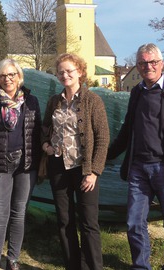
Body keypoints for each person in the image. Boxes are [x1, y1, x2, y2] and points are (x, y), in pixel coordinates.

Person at [107, 43, 164, 270]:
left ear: (162, 64)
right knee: (134, 222)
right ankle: (141, 265)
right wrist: (104, 155)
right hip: (138, 168)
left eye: (152, 62)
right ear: (138, 66)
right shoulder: (137, 92)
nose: (148, 66)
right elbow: (127, 129)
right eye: (143, 63)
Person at [41, 53, 109, 270]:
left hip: (84, 169)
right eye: (61, 71)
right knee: (65, 221)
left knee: (89, 223)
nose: (65, 75)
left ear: (80, 71)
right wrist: (46, 146)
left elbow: (102, 137)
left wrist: (94, 172)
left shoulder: (92, 100)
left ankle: (92, 267)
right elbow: (43, 130)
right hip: (58, 167)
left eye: (69, 70)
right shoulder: (54, 101)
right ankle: (72, 266)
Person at [0, 59, 41, 270]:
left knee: (19, 213)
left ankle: (13, 259)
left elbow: (37, 136)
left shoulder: (31, 102)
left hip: (25, 165)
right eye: (3, 75)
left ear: (19, 77)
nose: (8, 79)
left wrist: (38, 167)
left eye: (12, 74)